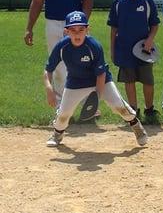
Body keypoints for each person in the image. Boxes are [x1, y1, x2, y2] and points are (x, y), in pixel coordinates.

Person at [44, 10, 148, 147]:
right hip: (76, 82)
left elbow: (101, 74)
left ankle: (136, 126)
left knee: (119, 106)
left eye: (81, 29)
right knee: (64, 114)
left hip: (101, 81)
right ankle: (57, 134)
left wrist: (96, 97)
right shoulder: (61, 47)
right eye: (73, 30)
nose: (77, 33)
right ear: (66, 32)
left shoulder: (94, 46)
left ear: (87, 30)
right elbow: (48, 70)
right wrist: (49, 90)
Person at [24, 0, 94, 106]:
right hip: (53, 23)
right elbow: (37, 1)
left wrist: (82, 23)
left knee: (80, 61)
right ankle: (62, 107)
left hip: (74, 25)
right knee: (56, 66)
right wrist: (29, 28)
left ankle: (88, 104)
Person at [107, 0, 160, 121]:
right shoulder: (118, 2)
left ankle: (149, 110)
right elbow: (113, 28)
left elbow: (155, 24)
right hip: (124, 48)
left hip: (144, 48)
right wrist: (112, 49)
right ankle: (133, 110)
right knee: (129, 80)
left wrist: (150, 39)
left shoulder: (146, 1)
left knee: (147, 80)